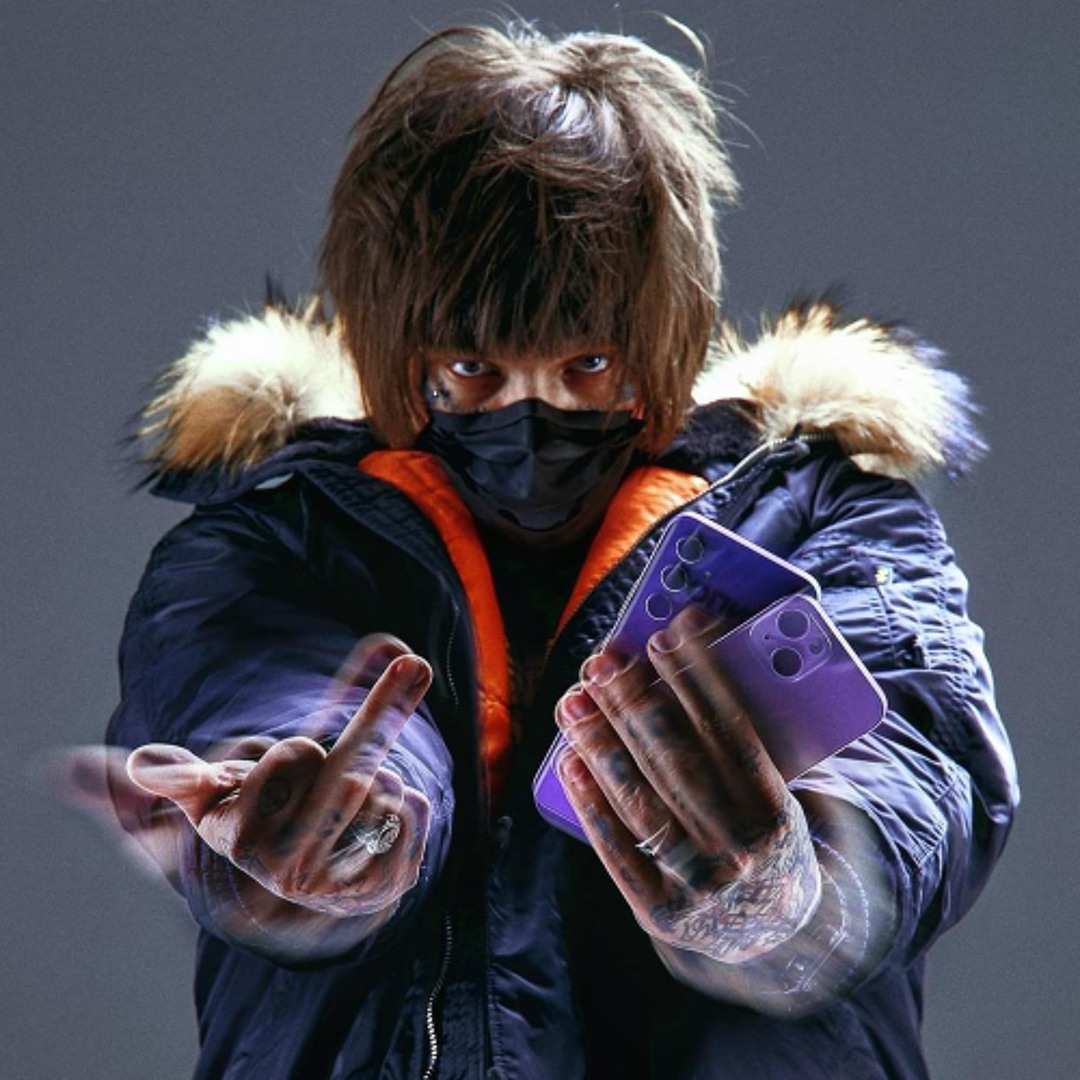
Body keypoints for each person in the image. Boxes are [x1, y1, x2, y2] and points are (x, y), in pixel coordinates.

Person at [103, 21, 1018, 1079]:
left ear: (662, 341)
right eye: (471, 369)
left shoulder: (831, 518)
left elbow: (921, 756)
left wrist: (796, 887)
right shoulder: (271, 539)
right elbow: (257, 691)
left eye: (588, 364)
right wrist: (341, 826)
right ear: (398, 354)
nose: (533, 415)